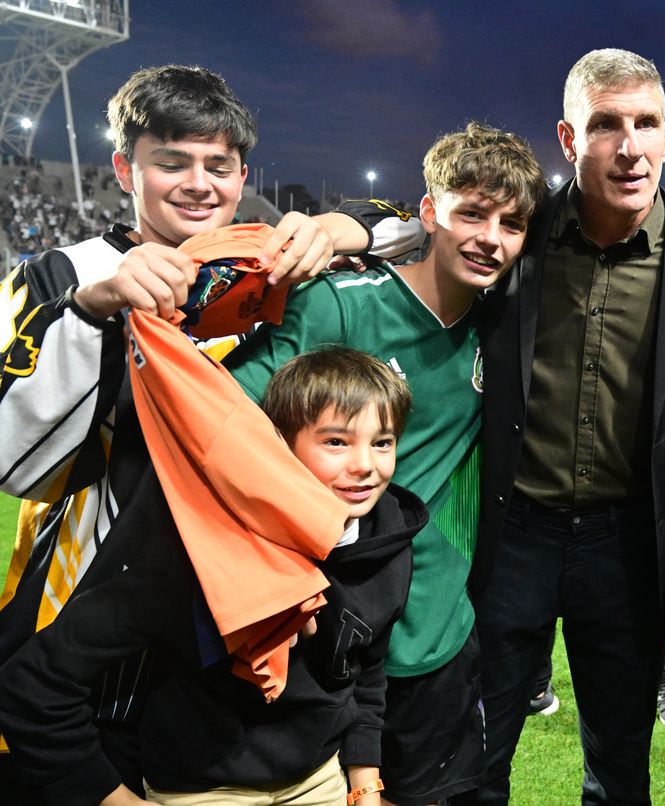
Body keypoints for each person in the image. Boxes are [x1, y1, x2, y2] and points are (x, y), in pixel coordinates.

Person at [0, 64, 343, 800]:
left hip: (213, 643)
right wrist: (92, 312)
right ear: (125, 167)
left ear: (242, 173)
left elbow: (408, 225)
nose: (198, 183)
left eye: (218, 165)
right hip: (86, 635)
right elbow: (12, 464)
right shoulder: (60, 274)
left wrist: (348, 224)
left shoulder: (257, 271)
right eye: (171, 161)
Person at [224, 121, 546, 806]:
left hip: (436, 639)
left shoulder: (500, 329)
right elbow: (224, 424)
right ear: (429, 213)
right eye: (472, 212)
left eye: (512, 224)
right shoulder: (335, 305)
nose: (491, 237)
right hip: (320, 638)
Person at [462, 48, 665, 805]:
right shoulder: (517, 229)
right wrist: (348, 222)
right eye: (606, 124)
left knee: (619, 768)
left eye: (645, 124)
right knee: (476, 759)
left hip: (629, 543)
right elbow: (426, 218)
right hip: (514, 534)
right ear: (570, 140)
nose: (629, 145)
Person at [0, 346, 426, 806]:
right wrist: (109, 797)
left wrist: (365, 781)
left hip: (318, 778)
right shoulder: (203, 551)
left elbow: (364, 671)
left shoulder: (389, 542)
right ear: (278, 448)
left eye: (383, 442)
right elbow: (33, 682)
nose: (366, 464)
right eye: (336, 442)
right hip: (202, 787)